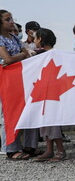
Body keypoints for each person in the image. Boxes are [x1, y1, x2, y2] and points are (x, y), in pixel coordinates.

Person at [28, 29, 67, 162]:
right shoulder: (40, 54)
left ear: (41, 39)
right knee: (44, 122)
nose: (34, 41)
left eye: (35, 38)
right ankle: (49, 150)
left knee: (53, 122)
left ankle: (60, 150)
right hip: (43, 92)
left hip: (51, 93)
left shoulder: (48, 55)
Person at [0, 10, 35, 159]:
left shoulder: (14, 37)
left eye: (11, 18)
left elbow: (22, 52)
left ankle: (29, 146)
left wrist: (22, 54)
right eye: (8, 19)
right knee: (8, 112)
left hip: (19, 78)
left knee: (27, 108)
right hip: (6, 78)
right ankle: (10, 148)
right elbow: (7, 59)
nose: (12, 21)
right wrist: (23, 54)